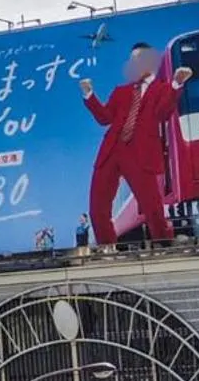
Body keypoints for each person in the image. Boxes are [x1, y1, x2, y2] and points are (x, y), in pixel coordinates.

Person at [81, 42, 193, 245]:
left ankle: (165, 243)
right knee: (97, 207)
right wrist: (90, 95)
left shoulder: (162, 89)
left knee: (151, 206)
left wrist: (176, 84)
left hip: (141, 152)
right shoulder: (121, 91)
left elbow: (162, 113)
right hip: (111, 151)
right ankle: (107, 248)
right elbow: (105, 118)